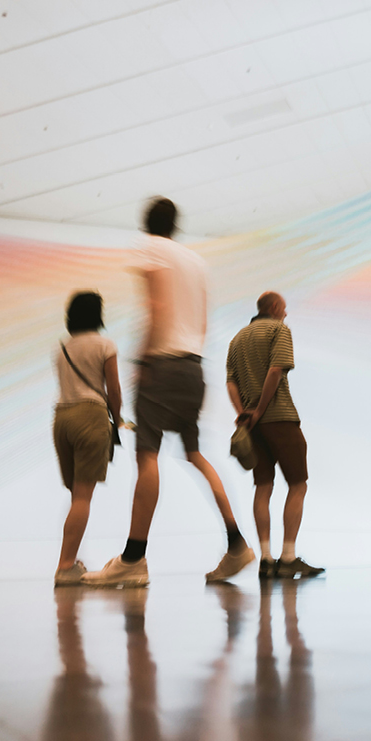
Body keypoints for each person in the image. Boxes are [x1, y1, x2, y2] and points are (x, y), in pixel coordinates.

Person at [84, 198, 254, 587]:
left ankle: (133, 558)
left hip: (161, 365)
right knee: (195, 454)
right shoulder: (196, 261)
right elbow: (204, 321)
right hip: (193, 367)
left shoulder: (150, 248)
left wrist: (142, 361)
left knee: (147, 457)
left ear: (147, 223)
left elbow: (155, 305)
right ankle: (236, 544)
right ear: (176, 224)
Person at [226, 292, 324, 579]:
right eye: (284, 308)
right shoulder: (278, 330)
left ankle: (266, 558)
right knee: (297, 484)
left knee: (263, 487)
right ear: (273, 308)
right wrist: (260, 409)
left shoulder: (238, 338)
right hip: (279, 416)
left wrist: (245, 412)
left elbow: (231, 382)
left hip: (252, 426)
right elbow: (276, 371)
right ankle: (289, 557)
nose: (286, 313)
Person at [53, 291, 121, 586]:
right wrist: (117, 422)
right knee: (83, 497)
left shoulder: (63, 348)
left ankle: (71, 560)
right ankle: (65, 566)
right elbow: (113, 390)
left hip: (62, 418)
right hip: (90, 416)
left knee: (75, 497)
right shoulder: (105, 344)